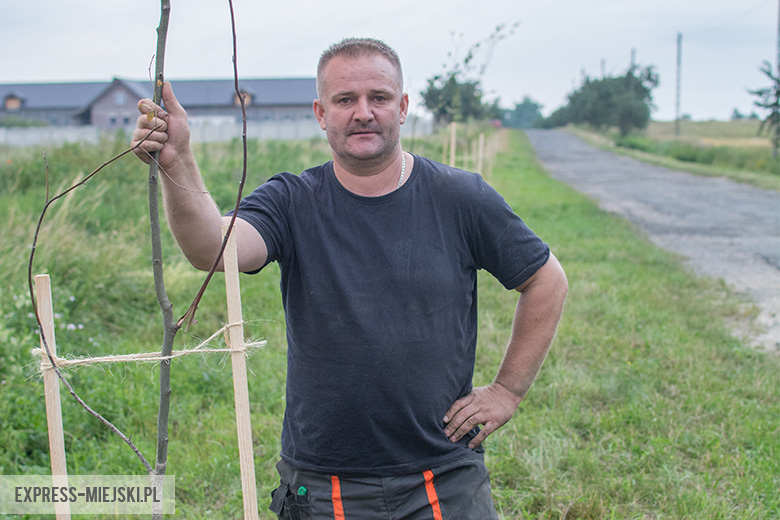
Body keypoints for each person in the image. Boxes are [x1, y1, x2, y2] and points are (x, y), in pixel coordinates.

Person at [132, 37, 567, 520]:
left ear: (402, 107)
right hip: (324, 481)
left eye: (378, 98)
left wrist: (507, 390)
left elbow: (546, 280)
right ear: (321, 112)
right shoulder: (292, 200)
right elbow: (213, 248)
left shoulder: (460, 197)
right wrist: (178, 161)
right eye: (345, 100)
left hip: (443, 475)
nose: (363, 112)